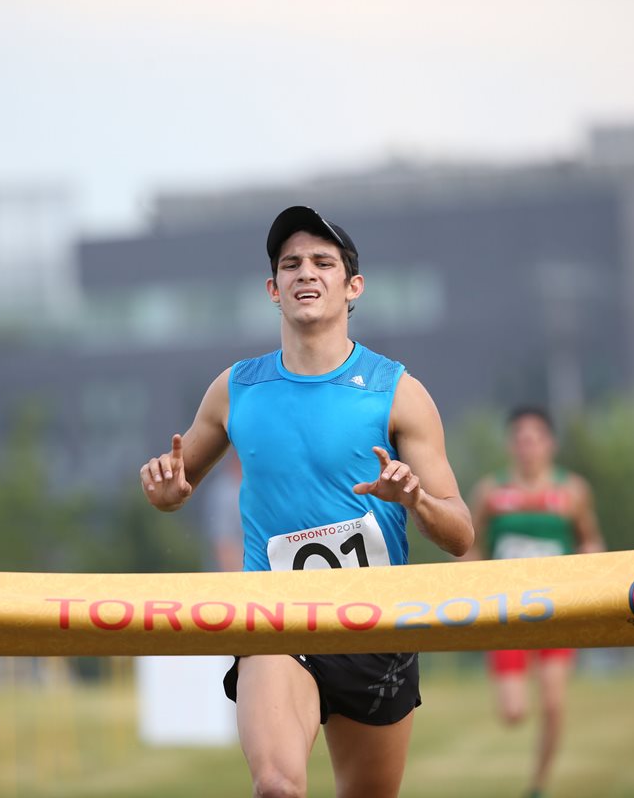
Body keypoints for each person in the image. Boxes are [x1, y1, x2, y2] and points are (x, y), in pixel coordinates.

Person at [139, 206, 474, 798]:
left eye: (323, 261)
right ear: (273, 289)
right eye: (290, 264)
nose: (305, 273)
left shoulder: (399, 392)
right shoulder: (235, 388)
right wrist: (166, 492)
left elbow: (460, 534)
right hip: (276, 621)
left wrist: (416, 499)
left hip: (374, 626)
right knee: (277, 786)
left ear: (353, 286)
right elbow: (175, 482)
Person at [465, 406, 605, 798]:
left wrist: (592, 574)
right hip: (508, 614)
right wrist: (467, 582)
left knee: (554, 702)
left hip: (555, 611)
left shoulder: (571, 490)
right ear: (511, 445)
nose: (527, 447)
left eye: (535, 439)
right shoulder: (491, 492)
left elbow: (590, 540)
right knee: (513, 713)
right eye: (520, 439)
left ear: (550, 443)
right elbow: (470, 547)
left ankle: (538, 786)